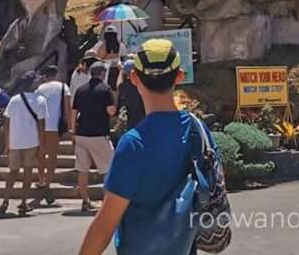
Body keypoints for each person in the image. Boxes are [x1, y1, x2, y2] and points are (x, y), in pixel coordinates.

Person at [77, 39, 219, 255]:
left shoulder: (133, 143)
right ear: (179, 76)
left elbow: (105, 224)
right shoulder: (197, 130)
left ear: (134, 78)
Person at [0, 72, 48, 217]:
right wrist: (42, 145)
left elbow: (6, 121)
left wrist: (7, 142)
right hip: (31, 142)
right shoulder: (40, 100)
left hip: (15, 141)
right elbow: (41, 125)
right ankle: (23, 202)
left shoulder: (14, 100)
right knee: (27, 173)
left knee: (12, 173)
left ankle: (5, 201)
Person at [72, 61, 117, 213]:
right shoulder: (105, 90)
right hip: (98, 133)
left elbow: (74, 113)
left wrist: (73, 130)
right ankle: (107, 201)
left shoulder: (80, 90)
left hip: (81, 133)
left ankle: (85, 200)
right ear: (103, 73)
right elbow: (111, 111)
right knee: (109, 167)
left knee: (82, 169)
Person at [36, 64, 72, 205]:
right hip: (55, 126)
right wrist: (70, 126)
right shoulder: (63, 87)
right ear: (56, 74)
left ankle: (41, 178)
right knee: (52, 155)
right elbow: (67, 108)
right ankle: (48, 182)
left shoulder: (40, 88)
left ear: (45, 75)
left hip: (41, 124)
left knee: (40, 153)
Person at [116, 59, 146, 132]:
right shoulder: (143, 84)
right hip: (143, 117)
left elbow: (118, 85)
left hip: (130, 120)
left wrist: (121, 71)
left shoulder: (123, 86)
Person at [91, 25, 123, 90]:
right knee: (116, 90)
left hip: (104, 71)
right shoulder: (121, 45)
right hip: (117, 70)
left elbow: (95, 58)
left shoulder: (100, 45)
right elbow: (124, 57)